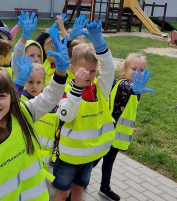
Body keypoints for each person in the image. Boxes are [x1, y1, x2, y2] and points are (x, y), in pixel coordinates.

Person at [0, 29, 70, 201]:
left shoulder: (24, 113)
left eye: (1, 96)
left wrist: (61, 72)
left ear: (13, 96)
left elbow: (49, 97)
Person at [53, 20, 115, 201]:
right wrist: (77, 89)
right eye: (83, 71)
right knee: (63, 193)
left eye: (93, 71)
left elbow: (109, 68)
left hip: (89, 156)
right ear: (71, 69)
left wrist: (99, 43)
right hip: (68, 157)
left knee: (78, 191)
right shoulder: (64, 89)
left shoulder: (99, 88)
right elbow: (66, 115)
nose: (88, 75)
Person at [93, 53, 155, 201]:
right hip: (106, 133)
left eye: (141, 70)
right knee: (93, 160)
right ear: (124, 70)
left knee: (109, 162)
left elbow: (126, 111)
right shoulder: (122, 84)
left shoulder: (135, 89)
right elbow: (128, 88)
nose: (138, 72)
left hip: (117, 134)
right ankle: (77, 182)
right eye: (134, 68)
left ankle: (104, 187)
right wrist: (135, 88)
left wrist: (129, 127)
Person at [14, 56, 59, 170]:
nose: (34, 86)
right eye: (30, 82)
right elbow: (11, 104)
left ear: (44, 83)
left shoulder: (50, 104)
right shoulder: (21, 99)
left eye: (38, 82)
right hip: (24, 155)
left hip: (43, 157)